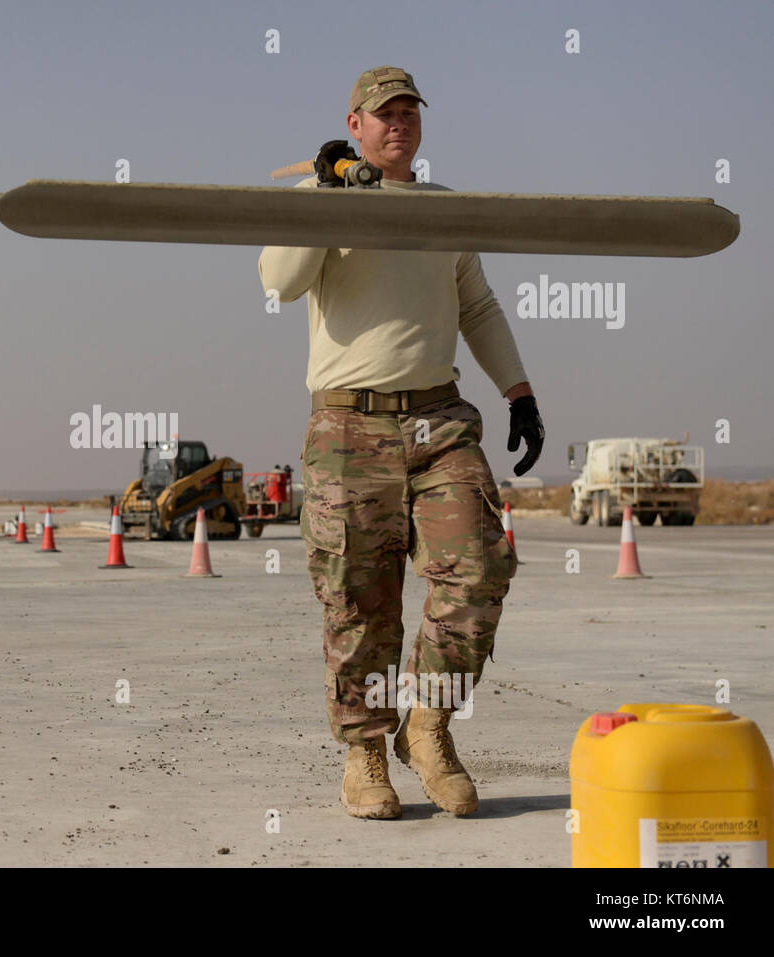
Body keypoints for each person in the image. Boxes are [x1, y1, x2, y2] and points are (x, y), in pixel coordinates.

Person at [258, 65, 544, 821]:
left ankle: (429, 726)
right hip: (348, 424)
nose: (400, 122)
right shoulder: (319, 199)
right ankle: (365, 754)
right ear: (354, 124)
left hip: (438, 418)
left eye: (410, 110)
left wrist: (519, 392)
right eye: (384, 112)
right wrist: (324, 196)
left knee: (478, 567)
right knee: (359, 598)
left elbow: (477, 304)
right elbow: (279, 280)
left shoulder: (447, 210)